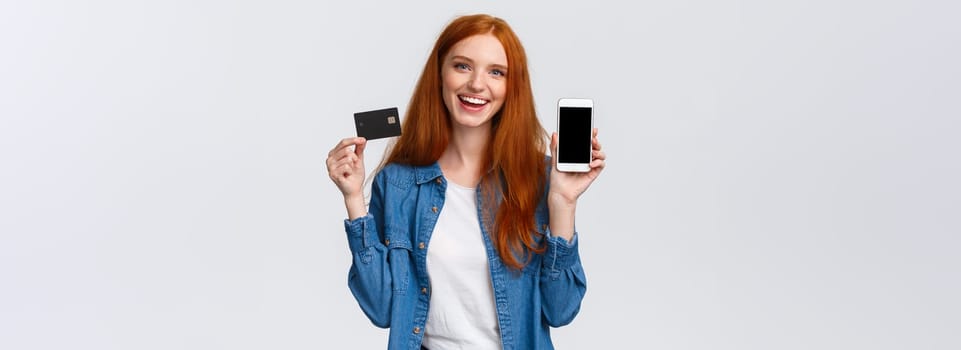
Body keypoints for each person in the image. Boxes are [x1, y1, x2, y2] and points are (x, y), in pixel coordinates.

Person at [325, 14, 606, 350]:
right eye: (462, 66)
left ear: (510, 87)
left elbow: (561, 310)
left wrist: (563, 202)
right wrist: (354, 199)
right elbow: (382, 308)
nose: (476, 84)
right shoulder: (398, 181)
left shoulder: (539, 179)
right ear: (439, 74)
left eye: (496, 72)